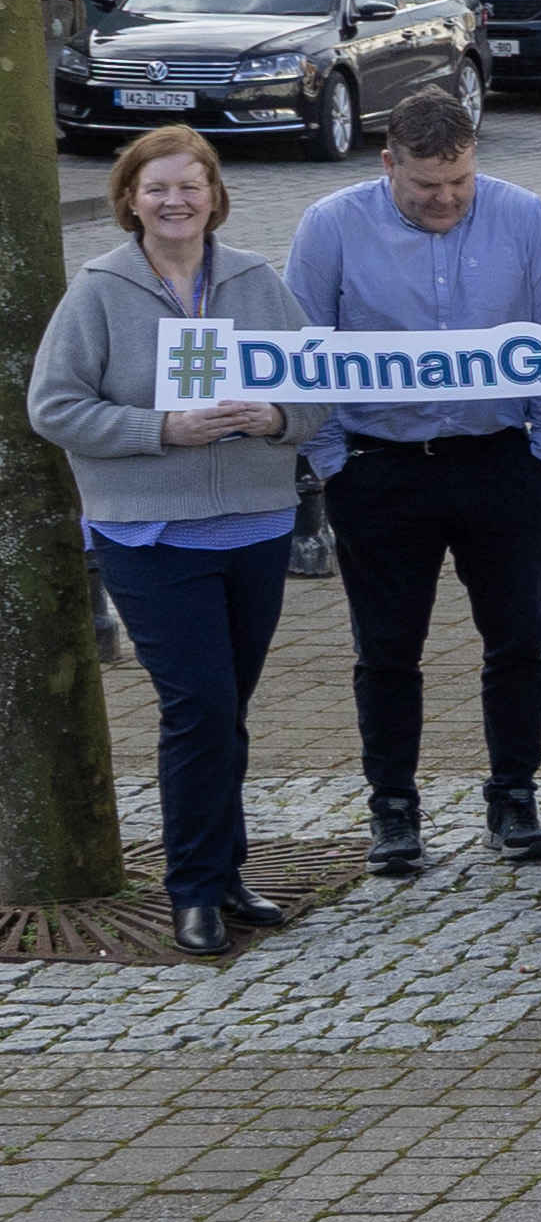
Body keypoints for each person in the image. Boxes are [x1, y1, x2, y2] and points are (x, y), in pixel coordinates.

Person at [29, 129, 314, 952]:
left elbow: (321, 396)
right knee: (198, 707)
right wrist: (162, 428)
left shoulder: (258, 282)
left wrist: (277, 418)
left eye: (190, 186)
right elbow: (54, 407)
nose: (175, 202)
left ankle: (225, 872)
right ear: (129, 199)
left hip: (255, 526)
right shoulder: (99, 289)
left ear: (214, 195)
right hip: (151, 533)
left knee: (227, 711)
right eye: (156, 189)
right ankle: (190, 888)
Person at [289, 87, 541, 882]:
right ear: (389, 165)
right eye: (425, 189)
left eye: (460, 184)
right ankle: (393, 810)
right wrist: (336, 460)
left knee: (519, 638)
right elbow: (301, 350)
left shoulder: (522, 216)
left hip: (499, 461)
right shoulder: (332, 226)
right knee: (386, 648)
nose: (446, 201)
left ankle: (513, 796)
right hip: (381, 470)